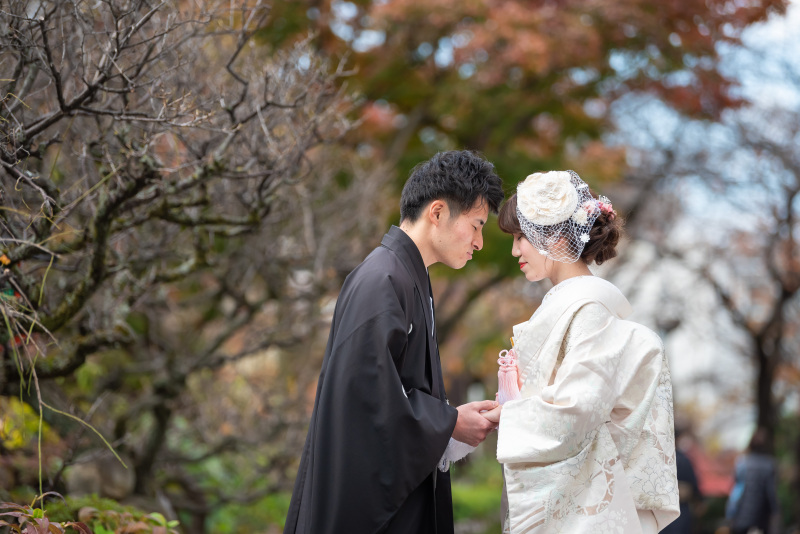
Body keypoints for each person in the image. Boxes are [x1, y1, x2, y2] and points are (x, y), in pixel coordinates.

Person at [283, 150, 505, 534]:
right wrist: (449, 422)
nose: (480, 242)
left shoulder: (400, 276)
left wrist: (447, 419)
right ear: (437, 213)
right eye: (476, 225)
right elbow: (365, 400)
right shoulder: (383, 280)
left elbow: (395, 390)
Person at [483, 170, 680, 533]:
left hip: (579, 507)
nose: (515, 250)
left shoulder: (590, 309)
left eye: (520, 237)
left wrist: (507, 416)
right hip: (563, 494)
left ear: (555, 237)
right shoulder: (570, 304)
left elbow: (577, 410)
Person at [724, 427, 780, 534]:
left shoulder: (742, 463)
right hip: (760, 519)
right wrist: (775, 513)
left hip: (740, 518)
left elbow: (736, 490)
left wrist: (730, 514)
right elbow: (771, 493)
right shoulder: (769, 465)